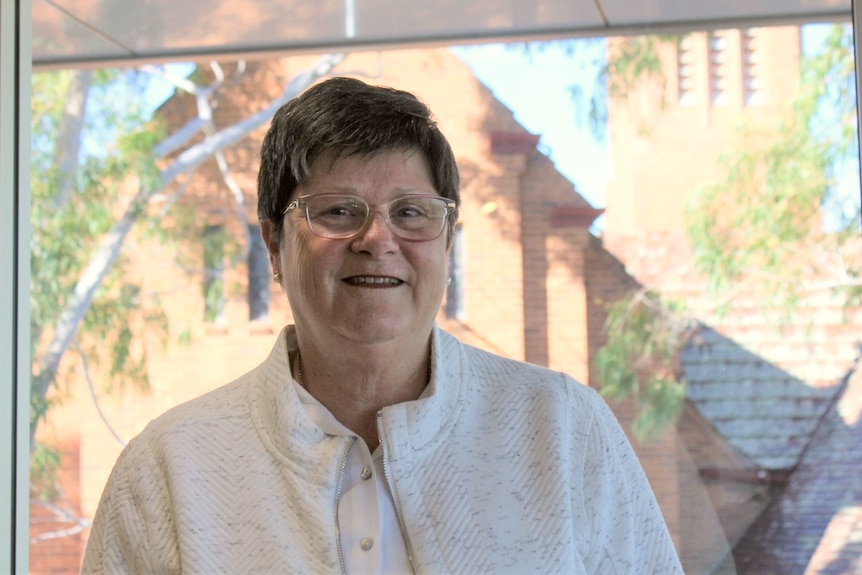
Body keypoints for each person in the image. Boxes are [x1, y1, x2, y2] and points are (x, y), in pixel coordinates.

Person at [81, 76, 683, 574]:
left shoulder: (564, 433)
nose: (377, 240)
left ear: (446, 243)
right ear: (272, 245)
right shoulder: (168, 469)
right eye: (339, 211)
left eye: (411, 213)